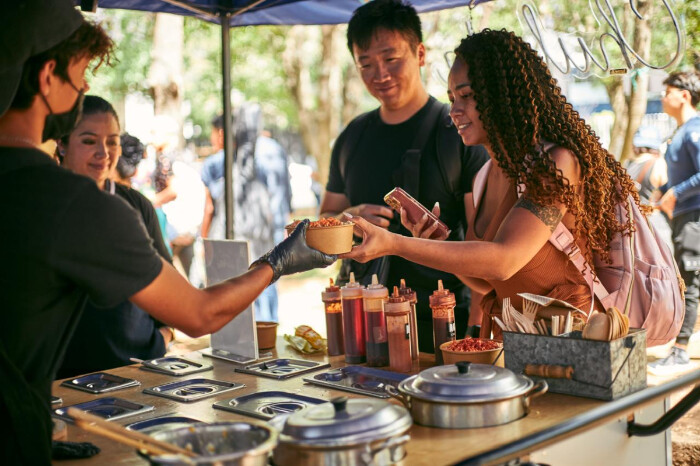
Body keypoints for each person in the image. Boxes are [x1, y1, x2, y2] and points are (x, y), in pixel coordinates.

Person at [0, 2, 335, 463]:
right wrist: (279, 261)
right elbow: (198, 314)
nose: (85, 89)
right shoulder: (74, 203)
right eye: (80, 76)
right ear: (46, 78)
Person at [342, 29, 645, 340]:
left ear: (503, 94)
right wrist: (438, 242)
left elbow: (504, 260)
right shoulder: (485, 174)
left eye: (467, 96)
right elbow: (487, 282)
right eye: (451, 98)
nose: (454, 110)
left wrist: (394, 243)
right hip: (512, 342)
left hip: (571, 344)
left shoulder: (555, 163)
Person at [320, 0, 489, 351]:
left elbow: (484, 248)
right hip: (359, 327)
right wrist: (344, 220)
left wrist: (477, 327)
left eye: (391, 59)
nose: (379, 74)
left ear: (421, 54)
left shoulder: (459, 133)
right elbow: (324, 220)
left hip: (440, 327)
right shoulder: (352, 137)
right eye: (366, 64)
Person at [56, 95, 173, 378]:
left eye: (112, 141)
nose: (103, 153)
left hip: (140, 369)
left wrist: (163, 337)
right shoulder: (45, 204)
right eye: (88, 141)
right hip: (64, 379)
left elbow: (167, 284)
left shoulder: (136, 204)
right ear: (61, 143)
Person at [649, 70, 700, 373]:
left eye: (667, 91)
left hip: (693, 216)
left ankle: (680, 350)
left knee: (689, 282)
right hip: (684, 217)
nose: (662, 97)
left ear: (684, 94)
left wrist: (674, 195)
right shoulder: (682, 131)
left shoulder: (694, 130)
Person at [624, 125, 672, 248]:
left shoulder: (627, 165)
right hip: (656, 224)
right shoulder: (658, 163)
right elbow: (668, 191)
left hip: (631, 225)